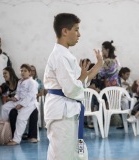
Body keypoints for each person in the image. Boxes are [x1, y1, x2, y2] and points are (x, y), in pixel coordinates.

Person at [43, 13, 103, 160]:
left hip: (69, 110)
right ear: (65, 31)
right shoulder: (60, 56)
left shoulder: (66, 55)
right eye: (76, 29)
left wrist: (98, 66)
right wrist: (81, 79)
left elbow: (81, 81)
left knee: (76, 153)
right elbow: (71, 88)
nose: (79, 34)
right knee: (63, 154)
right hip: (62, 112)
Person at [0, 66, 38, 143]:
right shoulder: (20, 81)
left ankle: (16, 140)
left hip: (29, 103)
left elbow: (30, 96)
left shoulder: (33, 82)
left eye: (25, 71)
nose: (23, 73)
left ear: (29, 72)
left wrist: (21, 105)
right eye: (21, 71)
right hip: (19, 101)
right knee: (4, 107)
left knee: (21, 119)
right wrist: (14, 98)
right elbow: (18, 93)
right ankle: (3, 128)